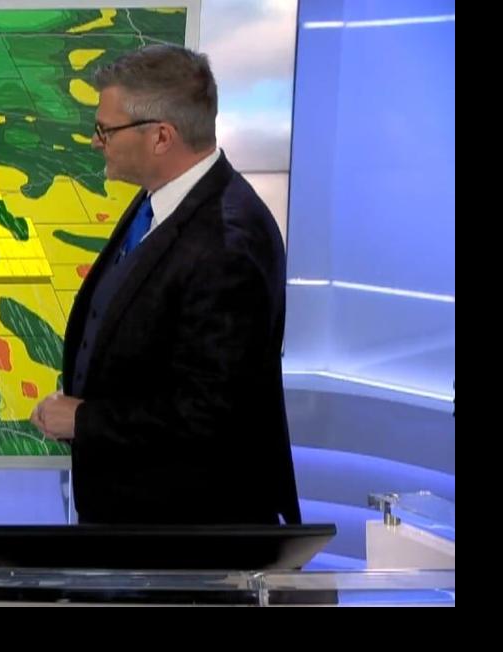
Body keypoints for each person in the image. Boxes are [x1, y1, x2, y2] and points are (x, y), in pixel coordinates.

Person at [30, 45, 301, 525]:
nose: (95, 142)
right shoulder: (163, 199)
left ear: (161, 137)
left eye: (106, 130)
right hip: (134, 519)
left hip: (185, 533)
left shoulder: (228, 245)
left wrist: (83, 419)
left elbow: (210, 413)